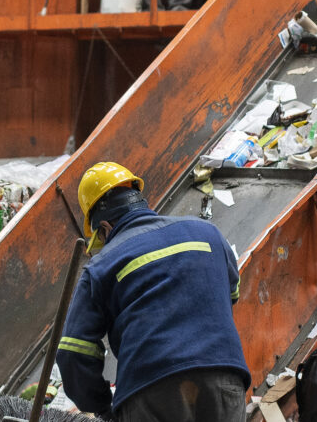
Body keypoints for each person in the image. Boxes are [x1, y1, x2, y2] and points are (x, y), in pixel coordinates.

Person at [56, 161, 250, 422]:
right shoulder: (208, 235)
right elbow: (231, 296)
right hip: (224, 376)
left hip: (151, 388)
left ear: (104, 228)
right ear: (139, 200)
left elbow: (73, 351)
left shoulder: (101, 266)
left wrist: (102, 406)